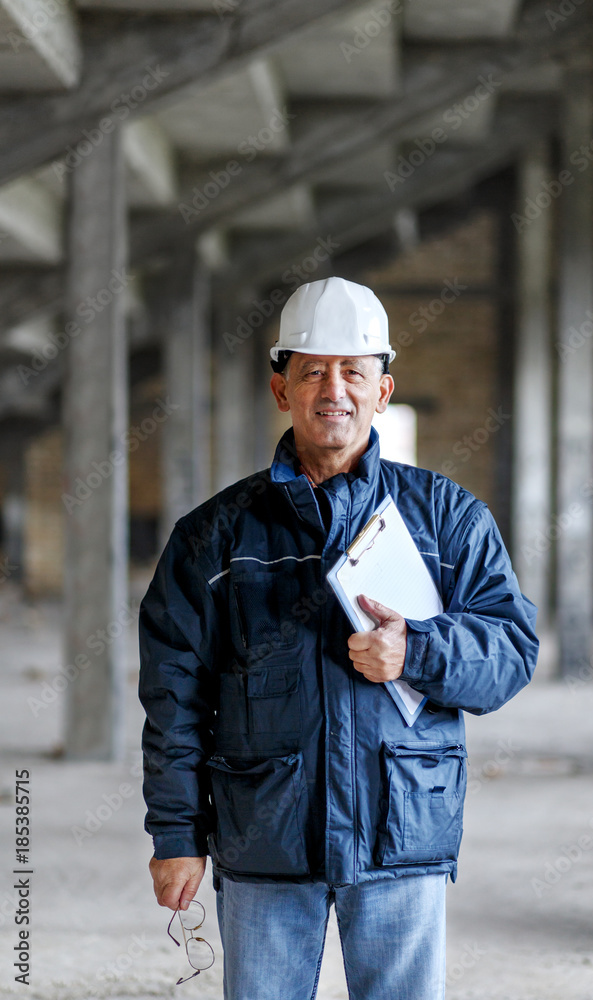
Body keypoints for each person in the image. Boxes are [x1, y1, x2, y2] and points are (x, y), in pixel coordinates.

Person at [138, 275, 539, 1000]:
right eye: (312, 371)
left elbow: (510, 650)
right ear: (279, 389)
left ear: (382, 390)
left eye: (353, 372)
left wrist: (417, 651)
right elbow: (174, 695)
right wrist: (174, 835)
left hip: (400, 833)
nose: (334, 390)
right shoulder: (212, 537)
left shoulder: (447, 519)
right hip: (265, 837)